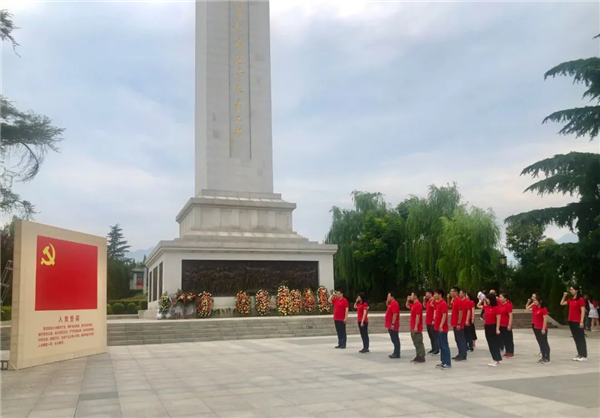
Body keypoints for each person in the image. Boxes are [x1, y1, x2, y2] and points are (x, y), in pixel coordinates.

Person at [560, 286, 587, 361]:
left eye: (572, 289)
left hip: (577, 321)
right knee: (576, 338)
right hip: (571, 320)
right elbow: (562, 303)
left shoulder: (580, 300)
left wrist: (581, 321)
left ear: (576, 290)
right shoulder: (571, 300)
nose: (570, 291)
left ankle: (583, 355)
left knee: (580, 338)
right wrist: (564, 296)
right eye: (570, 289)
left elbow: (583, 311)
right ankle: (579, 354)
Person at [478, 293, 502, 367]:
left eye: (488, 299)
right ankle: (494, 358)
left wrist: (497, 329)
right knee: (490, 343)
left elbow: (498, 319)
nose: (487, 300)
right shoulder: (486, 307)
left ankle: (497, 359)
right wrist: (482, 299)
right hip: (487, 326)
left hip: (493, 326)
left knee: (494, 343)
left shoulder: (496, 308)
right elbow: (478, 305)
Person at [433, 289, 451, 369]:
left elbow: (444, 315)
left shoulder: (443, 303)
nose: (434, 295)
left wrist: (441, 325)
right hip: (437, 327)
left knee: (444, 345)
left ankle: (447, 362)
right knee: (440, 345)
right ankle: (443, 361)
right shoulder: (437, 303)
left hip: (442, 328)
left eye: (435, 294)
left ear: (440, 295)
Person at [406, 293, 426, 363]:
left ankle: (422, 356)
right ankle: (418, 355)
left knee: (418, 341)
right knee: (415, 342)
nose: (410, 296)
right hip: (412, 326)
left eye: (411, 295)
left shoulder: (418, 305)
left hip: (416, 327)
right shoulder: (414, 305)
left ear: (415, 296)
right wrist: (408, 300)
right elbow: (407, 306)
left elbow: (418, 316)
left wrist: (416, 326)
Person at [449, 287, 467, 361]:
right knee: (457, 339)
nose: (451, 293)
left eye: (452, 291)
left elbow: (461, 312)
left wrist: (459, 323)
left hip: (458, 323)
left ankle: (463, 355)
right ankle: (460, 353)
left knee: (461, 339)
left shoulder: (459, 301)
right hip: (454, 323)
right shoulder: (455, 300)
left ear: (456, 292)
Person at [533, 295, 551, 364]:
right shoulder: (535, 308)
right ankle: (543, 356)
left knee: (544, 342)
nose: (534, 302)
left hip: (542, 328)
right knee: (540, 343)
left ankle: (547, 357)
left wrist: (543, 329)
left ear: (540, 301)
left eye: (535, 301)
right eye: (534, 301)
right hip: (536, 328)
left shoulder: (543, 309)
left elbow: (545, 320)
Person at [385, 292, 401, 358]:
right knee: (393, 338)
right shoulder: (391, 303)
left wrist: (393, 323)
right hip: (389, 324)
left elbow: (395, 314)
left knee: (395, 338)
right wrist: (387, 299)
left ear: (392, 297)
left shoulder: (395, 304)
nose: (388, 298)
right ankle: (395, 351)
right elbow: (386, 304)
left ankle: (397, 353)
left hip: (393, 325)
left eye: (389, 296)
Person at [498, 293, 514, 358]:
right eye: (499, 297)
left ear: (505, 298)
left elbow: (510, 315)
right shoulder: (499, 305)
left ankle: (510, 351)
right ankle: (507, 351)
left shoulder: (508, 305)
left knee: (509, 339)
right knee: (503, 339)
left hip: (506, 324)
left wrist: (509, 324)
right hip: (500, 324)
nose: (500, 298)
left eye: (501, 297)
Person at [423, 290, 439, 355]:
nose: (426, 294)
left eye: (427, 293)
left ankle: (437, 349)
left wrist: (434, 319)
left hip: (432, 321)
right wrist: (424, 300)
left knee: (434, 335)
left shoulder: (434, 301)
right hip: (428, 321)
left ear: (430, 294)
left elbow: (435, 310)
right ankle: (433, 348)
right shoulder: (428, 301)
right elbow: (424, 306)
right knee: (431, 336)